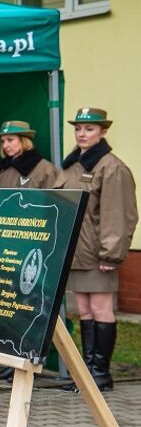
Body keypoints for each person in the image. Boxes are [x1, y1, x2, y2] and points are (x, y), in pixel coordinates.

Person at [55, 107, 138, 392]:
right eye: (78, 128)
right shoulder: (73, 165)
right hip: (76, 252)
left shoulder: (111, 167)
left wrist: (111, 254)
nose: (81, 133)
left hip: (98, 254)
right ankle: (87, 373)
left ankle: (101, 374)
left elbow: (120, 214)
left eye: (89, 129)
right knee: (85, 311)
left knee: (101, 309)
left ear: (103, 132)